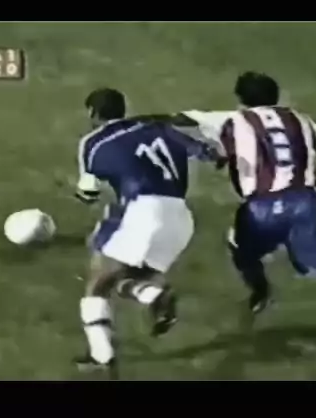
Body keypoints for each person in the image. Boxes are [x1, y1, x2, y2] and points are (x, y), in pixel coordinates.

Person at [178, 72, 316, 358]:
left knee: (240, 248)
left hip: (259, 207)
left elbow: (183, 119)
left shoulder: (231, 119)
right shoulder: (300, 119)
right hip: (305, 202)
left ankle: (260, 290)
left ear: (241, 100)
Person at [75, 88, 220, 372]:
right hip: (180, 218)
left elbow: (88, 192)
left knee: (97, 283)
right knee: (126, 279)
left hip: (144, 212)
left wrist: (87, 193)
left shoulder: (94, 142)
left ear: (93, 113)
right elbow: (202, 151)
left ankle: (102, 356)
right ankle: (153, 296)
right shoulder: (158, 128)